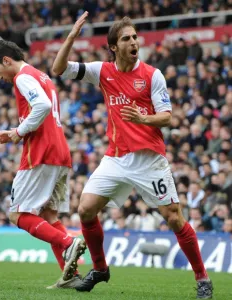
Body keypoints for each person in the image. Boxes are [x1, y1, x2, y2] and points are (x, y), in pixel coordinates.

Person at [52, 12, 213, 298]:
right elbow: (58, 68)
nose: (133, 42)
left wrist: (143, 119)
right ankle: (100, 269)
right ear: (114, 46)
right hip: (116, 157)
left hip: (150, 159)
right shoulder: (102, 71)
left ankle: (202, 277)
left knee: (174, 218)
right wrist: (72, 37)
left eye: (135, 37)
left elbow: (167, 117)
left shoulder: (153, 75)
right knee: (86, 209)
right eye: (126, 38)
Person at [0, 40, 86, 289]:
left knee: (18, 214)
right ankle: (70, 275)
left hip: (40, 152)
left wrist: (19, 132)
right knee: (49, 215)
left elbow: (41, 105)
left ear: (7, 60)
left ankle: (68, 242)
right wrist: (16, 131)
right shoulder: (42, 76)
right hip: (60, 151)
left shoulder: (22, 76)